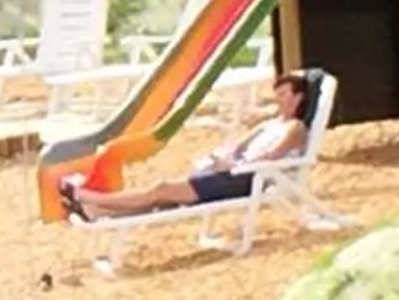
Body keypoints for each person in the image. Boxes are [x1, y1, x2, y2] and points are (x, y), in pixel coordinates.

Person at [62, 71, 319, 222]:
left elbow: (272, 157)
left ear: (298, 99)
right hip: (230, 173)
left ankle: (88, 197)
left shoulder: (295, 128)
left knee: (162, 189)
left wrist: (234, 164)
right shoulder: (269, 124)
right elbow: (237, 145)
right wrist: (222, 157)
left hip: (248, 179)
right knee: (164, 198)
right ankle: (97, 211)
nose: (278, 99)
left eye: (284, 94)